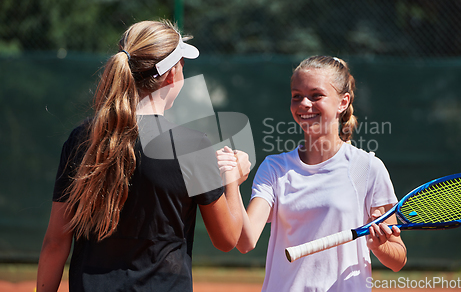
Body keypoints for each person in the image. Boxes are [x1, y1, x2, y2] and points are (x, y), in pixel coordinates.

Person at [36, 20, 250, 292]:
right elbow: (227, 238)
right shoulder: (193, 146)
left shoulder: (82, 139)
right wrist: (232, 177)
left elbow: (56, 242)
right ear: (172, 75)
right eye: (183, 66)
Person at [218, 56, 407, 291]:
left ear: (342, 102)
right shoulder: (274, 168)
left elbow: (398, 258)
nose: (304, 104)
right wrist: (232, 183)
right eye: (297, 96)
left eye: (316, 95)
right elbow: (245, 241)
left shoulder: (367, 167)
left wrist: (379, 246)